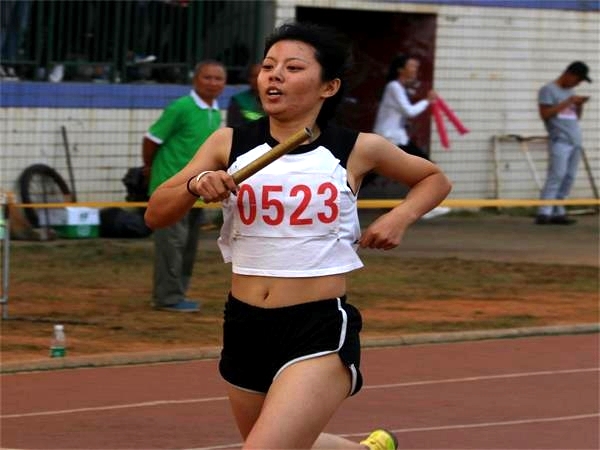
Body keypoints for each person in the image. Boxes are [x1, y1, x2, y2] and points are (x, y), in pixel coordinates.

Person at [145, 21, 451, 449]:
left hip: (316, 328)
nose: (275, 76)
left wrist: (400, 217)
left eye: (292, 68)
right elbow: (156, 214)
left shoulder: (356, 148)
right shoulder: (228, 143)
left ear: (328, 86)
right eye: (269, 66)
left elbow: (434, 179)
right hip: (245, 325)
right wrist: (197, 185)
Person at [142, 59, 227, 312]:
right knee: (171, 244)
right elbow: (152, 139)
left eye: (218, 78)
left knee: (188, 245)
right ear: (195, 80)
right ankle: (166, 297)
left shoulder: (214, 111)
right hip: (172, 188)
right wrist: (149, 168)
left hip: (198, 190)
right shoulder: (181, 107)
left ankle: (178, 292)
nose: (212, 83)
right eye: (207, 77)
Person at [373, 54, 450, 219]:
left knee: (372, 170)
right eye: (412, 66)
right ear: (401, 69)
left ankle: (425, 205)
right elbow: (409, 111)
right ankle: (426, 206)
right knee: (427, 168)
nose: (415, 70)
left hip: (396, 138)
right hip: (390, 138)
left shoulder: (400, 87)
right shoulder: (394, 86)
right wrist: (427, 100)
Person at [535, 61, 592, 225]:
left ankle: (558, 210)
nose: (577, 84)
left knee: (569, 176)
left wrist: (579, 105)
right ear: (569, 74)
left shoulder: (570, 92)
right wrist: (568, 102)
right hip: (560, 140)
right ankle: (544, 211)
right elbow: (545, 114)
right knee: (557, 175)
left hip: (574, 139)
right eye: (577, 80)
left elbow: (575, 117)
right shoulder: (548, 90)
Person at [226, 62, 265, 127]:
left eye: (262, 75)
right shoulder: (238, 100)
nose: (258, 79)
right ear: (248, 79)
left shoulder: (277, 99)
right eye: (254, 76)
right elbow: (233, 128)